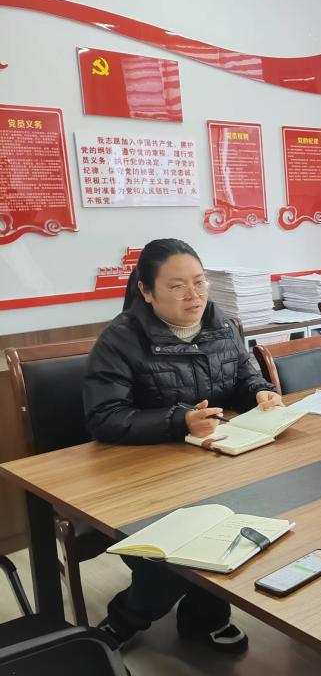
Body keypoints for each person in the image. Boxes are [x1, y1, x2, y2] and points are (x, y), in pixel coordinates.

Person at [84, 238, 284, 653]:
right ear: (146, 291)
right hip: (143, 475)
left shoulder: (221, 324)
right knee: (173, 560)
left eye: (199, 282)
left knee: (251, 526)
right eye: (177, 286)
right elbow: (105, 417)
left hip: (213, 461)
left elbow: (243, 377)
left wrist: (260, 392)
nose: (193, 295)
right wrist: (179, 421)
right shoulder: (121, 339)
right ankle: (123, 619)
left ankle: (202, 614)